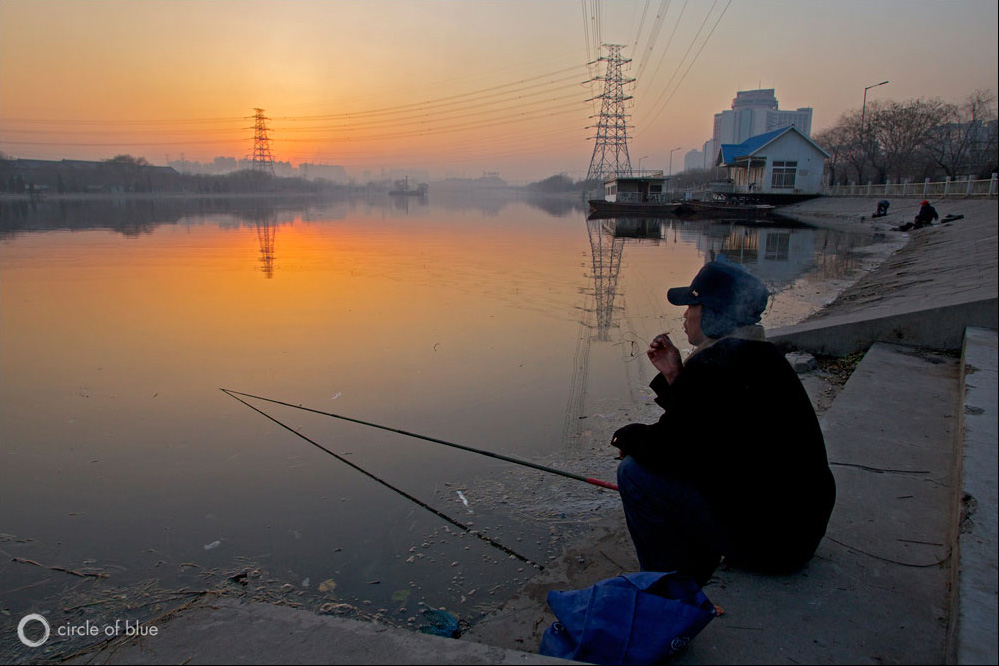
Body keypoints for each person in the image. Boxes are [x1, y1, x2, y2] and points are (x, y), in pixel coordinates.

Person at [612, 260, 836, 587]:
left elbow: (670, 448)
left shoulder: (716, 366)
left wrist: (626, 438)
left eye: (693, 305)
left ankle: (666, 588)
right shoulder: (761, 356)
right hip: (797, 536)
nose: (686, 315)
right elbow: (703, 429)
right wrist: (675, 375)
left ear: (714, 314)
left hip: (770, 547)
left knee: (633, 474)